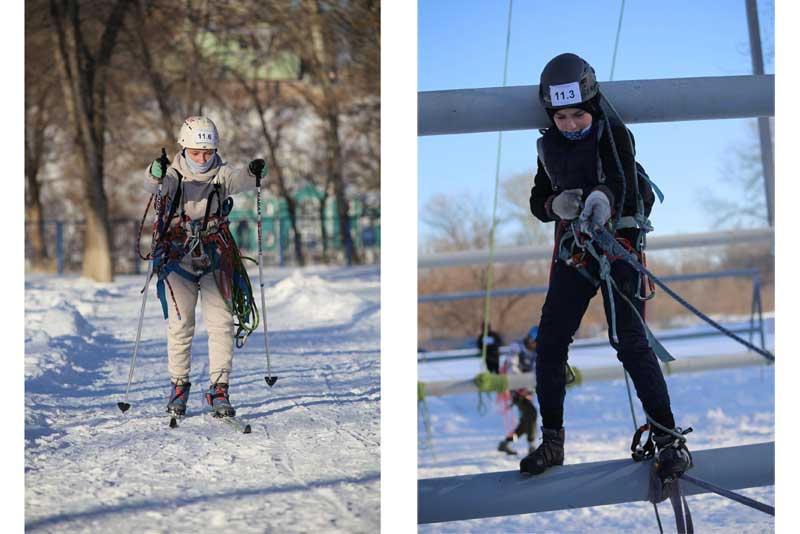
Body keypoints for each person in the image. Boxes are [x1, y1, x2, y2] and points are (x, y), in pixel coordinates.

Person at [520, 54, 691, 478]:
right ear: (550, 115)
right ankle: (553, 441)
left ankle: (668, 439)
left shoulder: (614, 135)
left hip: (618, 244)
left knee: (629, 339)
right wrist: (552, 204)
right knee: (551, 339)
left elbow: (618, 179)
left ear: (592, 106)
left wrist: (600, 199)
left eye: (578, 114)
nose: (572, 124)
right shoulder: (548, 147)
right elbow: (537, 200)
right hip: (574, 250)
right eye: (561, 117)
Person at [143, 116, 269, 418]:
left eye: (208, 153)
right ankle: (179, 384)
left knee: (221, 323)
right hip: (177, 256)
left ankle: (219, 387)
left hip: (215, 255)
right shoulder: (173, 174)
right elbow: (154, 183)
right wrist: (154, 173)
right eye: (196, 153)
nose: (202, 158)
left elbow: (239, 179)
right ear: (184, 148)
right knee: (180, 323)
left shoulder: (221, 174)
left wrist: (253, 173)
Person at [497, 326, 539, 456]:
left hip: (529, 387)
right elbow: (511, 367)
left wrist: (531, 386)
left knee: (526, 420)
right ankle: (532, 445)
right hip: (515, 388)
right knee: (531, 414)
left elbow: (538, 368)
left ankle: (506, 443)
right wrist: (521, 386)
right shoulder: (517, 346)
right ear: (529, 339)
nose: (535, 345)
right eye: (533, 342)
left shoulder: (539, 349)